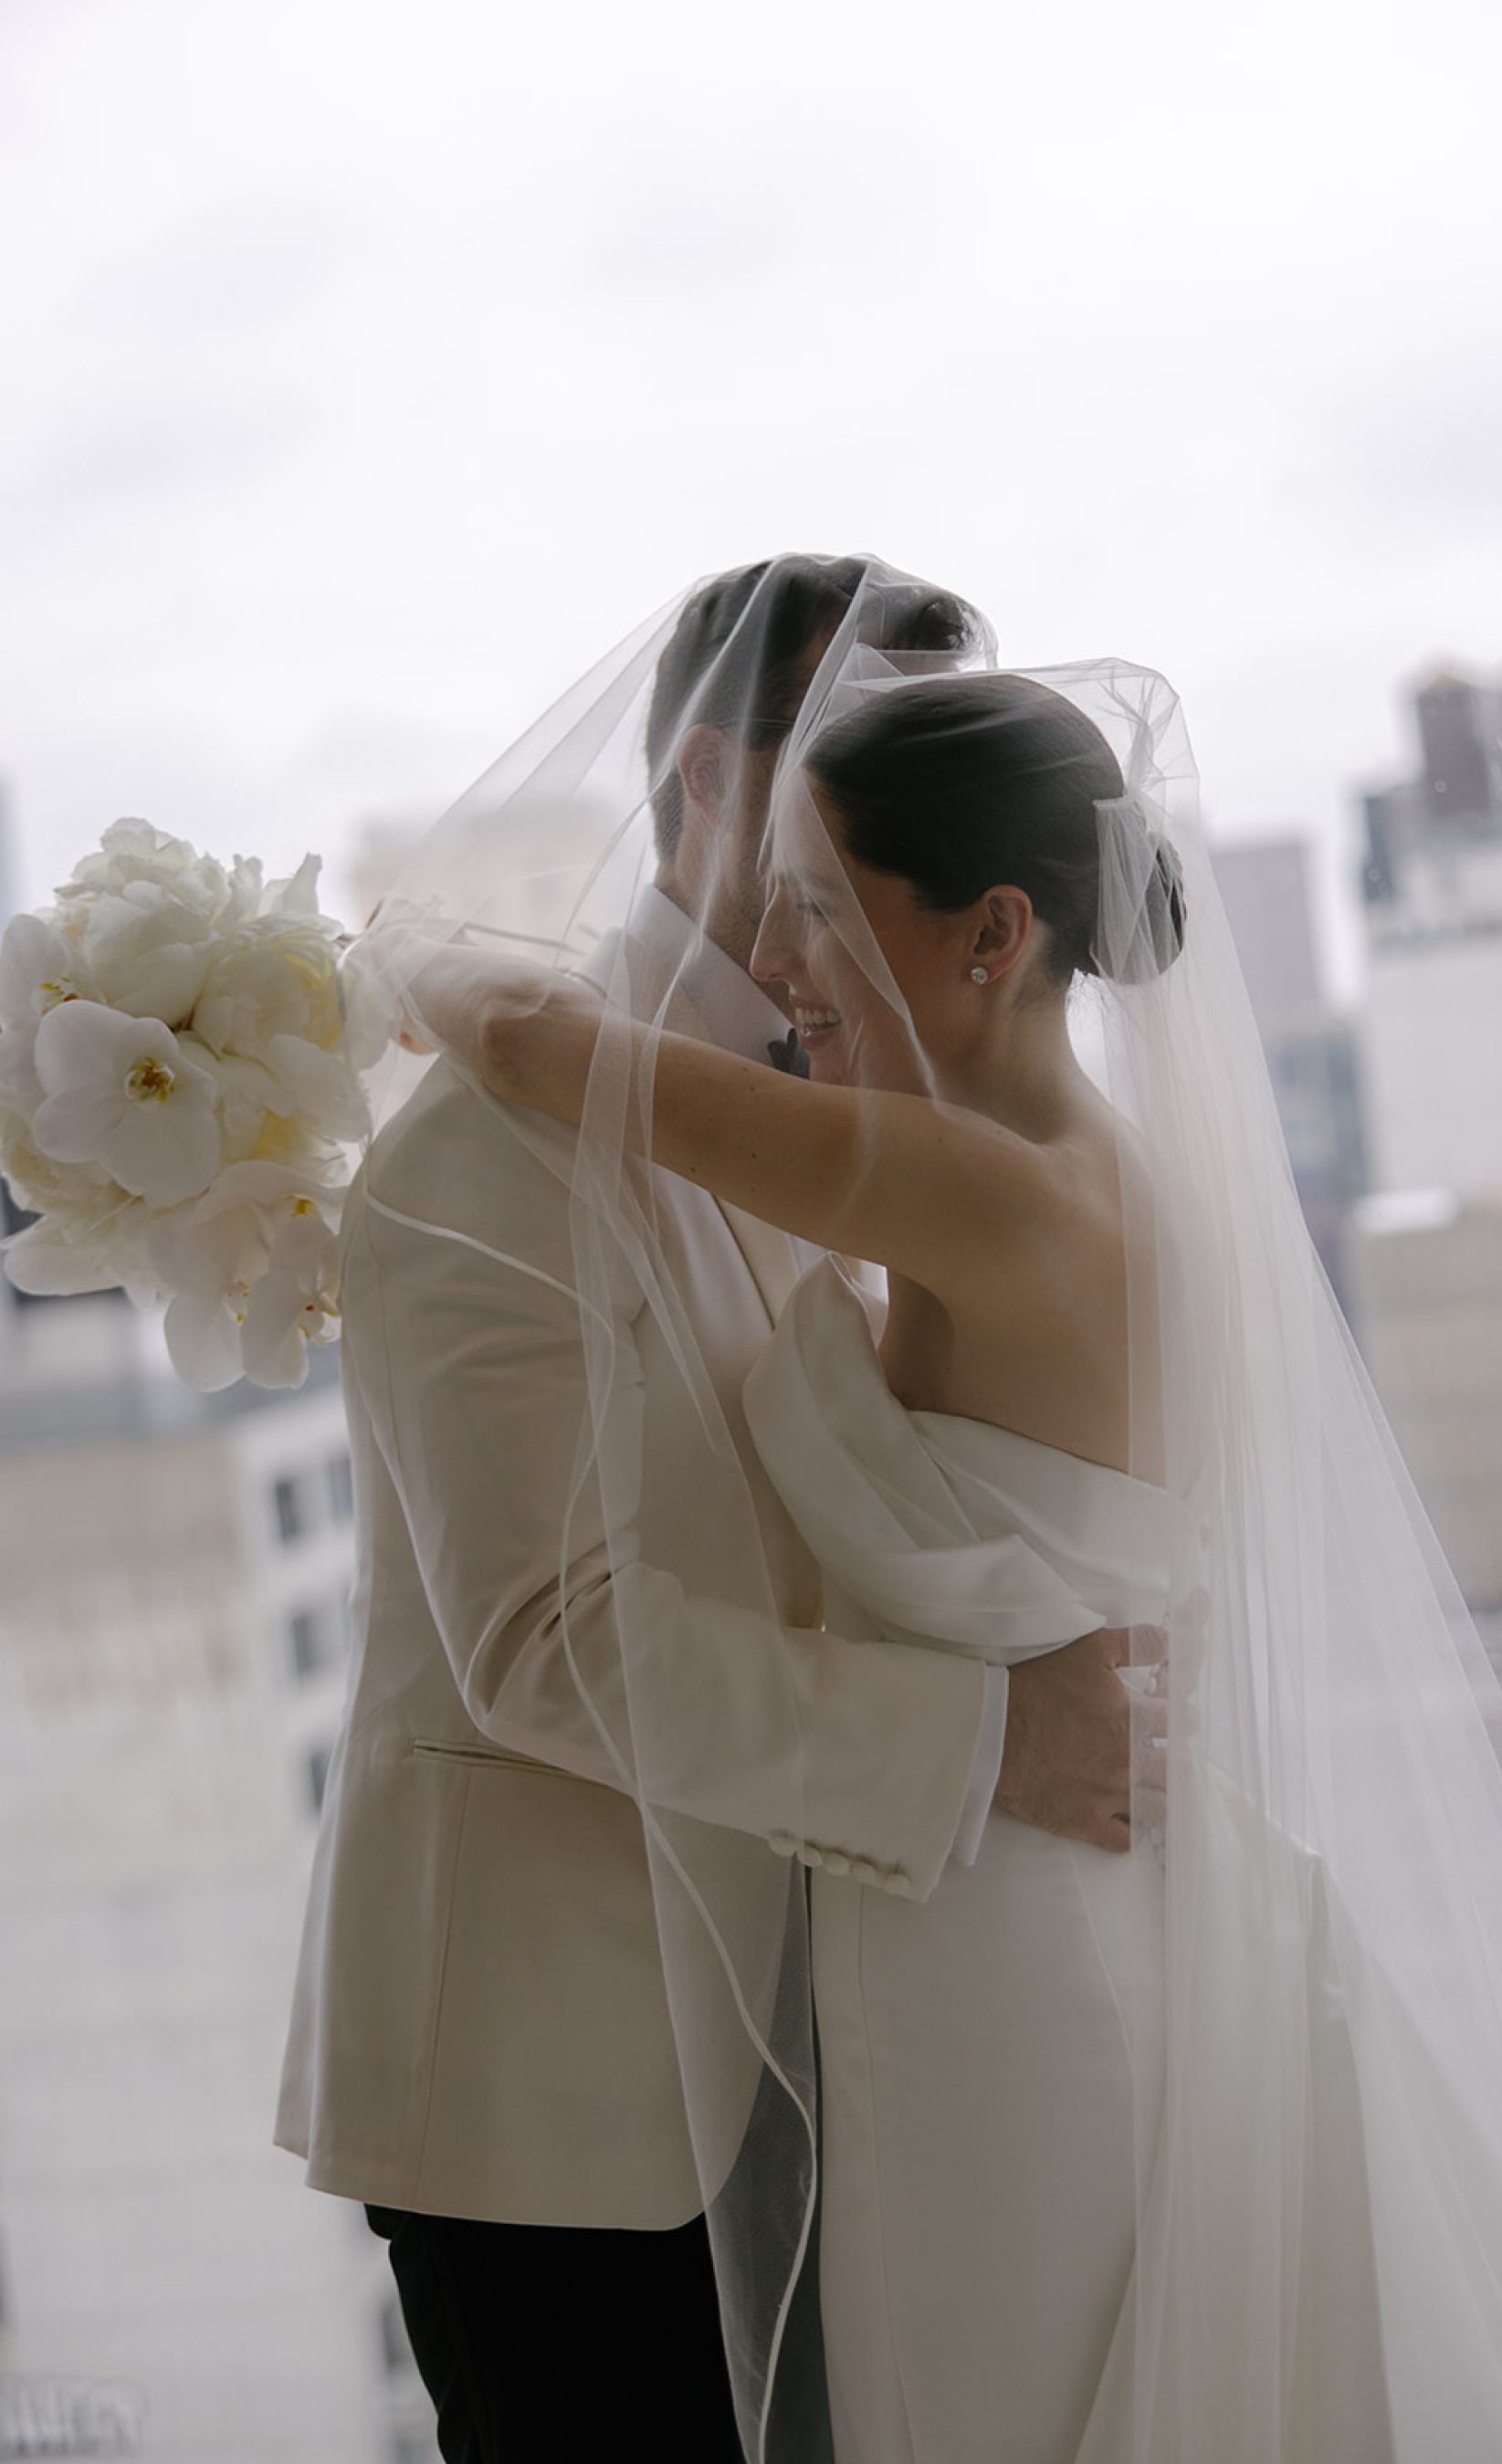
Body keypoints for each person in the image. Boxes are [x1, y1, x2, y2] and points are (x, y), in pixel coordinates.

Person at [405, 650, 1502, 2462]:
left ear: (993, 937)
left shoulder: (978, 1188)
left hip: (1011, 1938)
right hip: (1028, 1897)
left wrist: (359, 960)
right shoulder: (1069, 1168)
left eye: (822, 911)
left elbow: (528, 1045)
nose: (783, 963)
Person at [276, 560, 1162, 2464]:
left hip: (860, 2047)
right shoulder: (484, 1152)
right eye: (853, 760)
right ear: (701, 781)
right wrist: (997, 1739)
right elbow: (543, 1648)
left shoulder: (873, 1115)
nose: (874, 817)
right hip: (568, 2116)